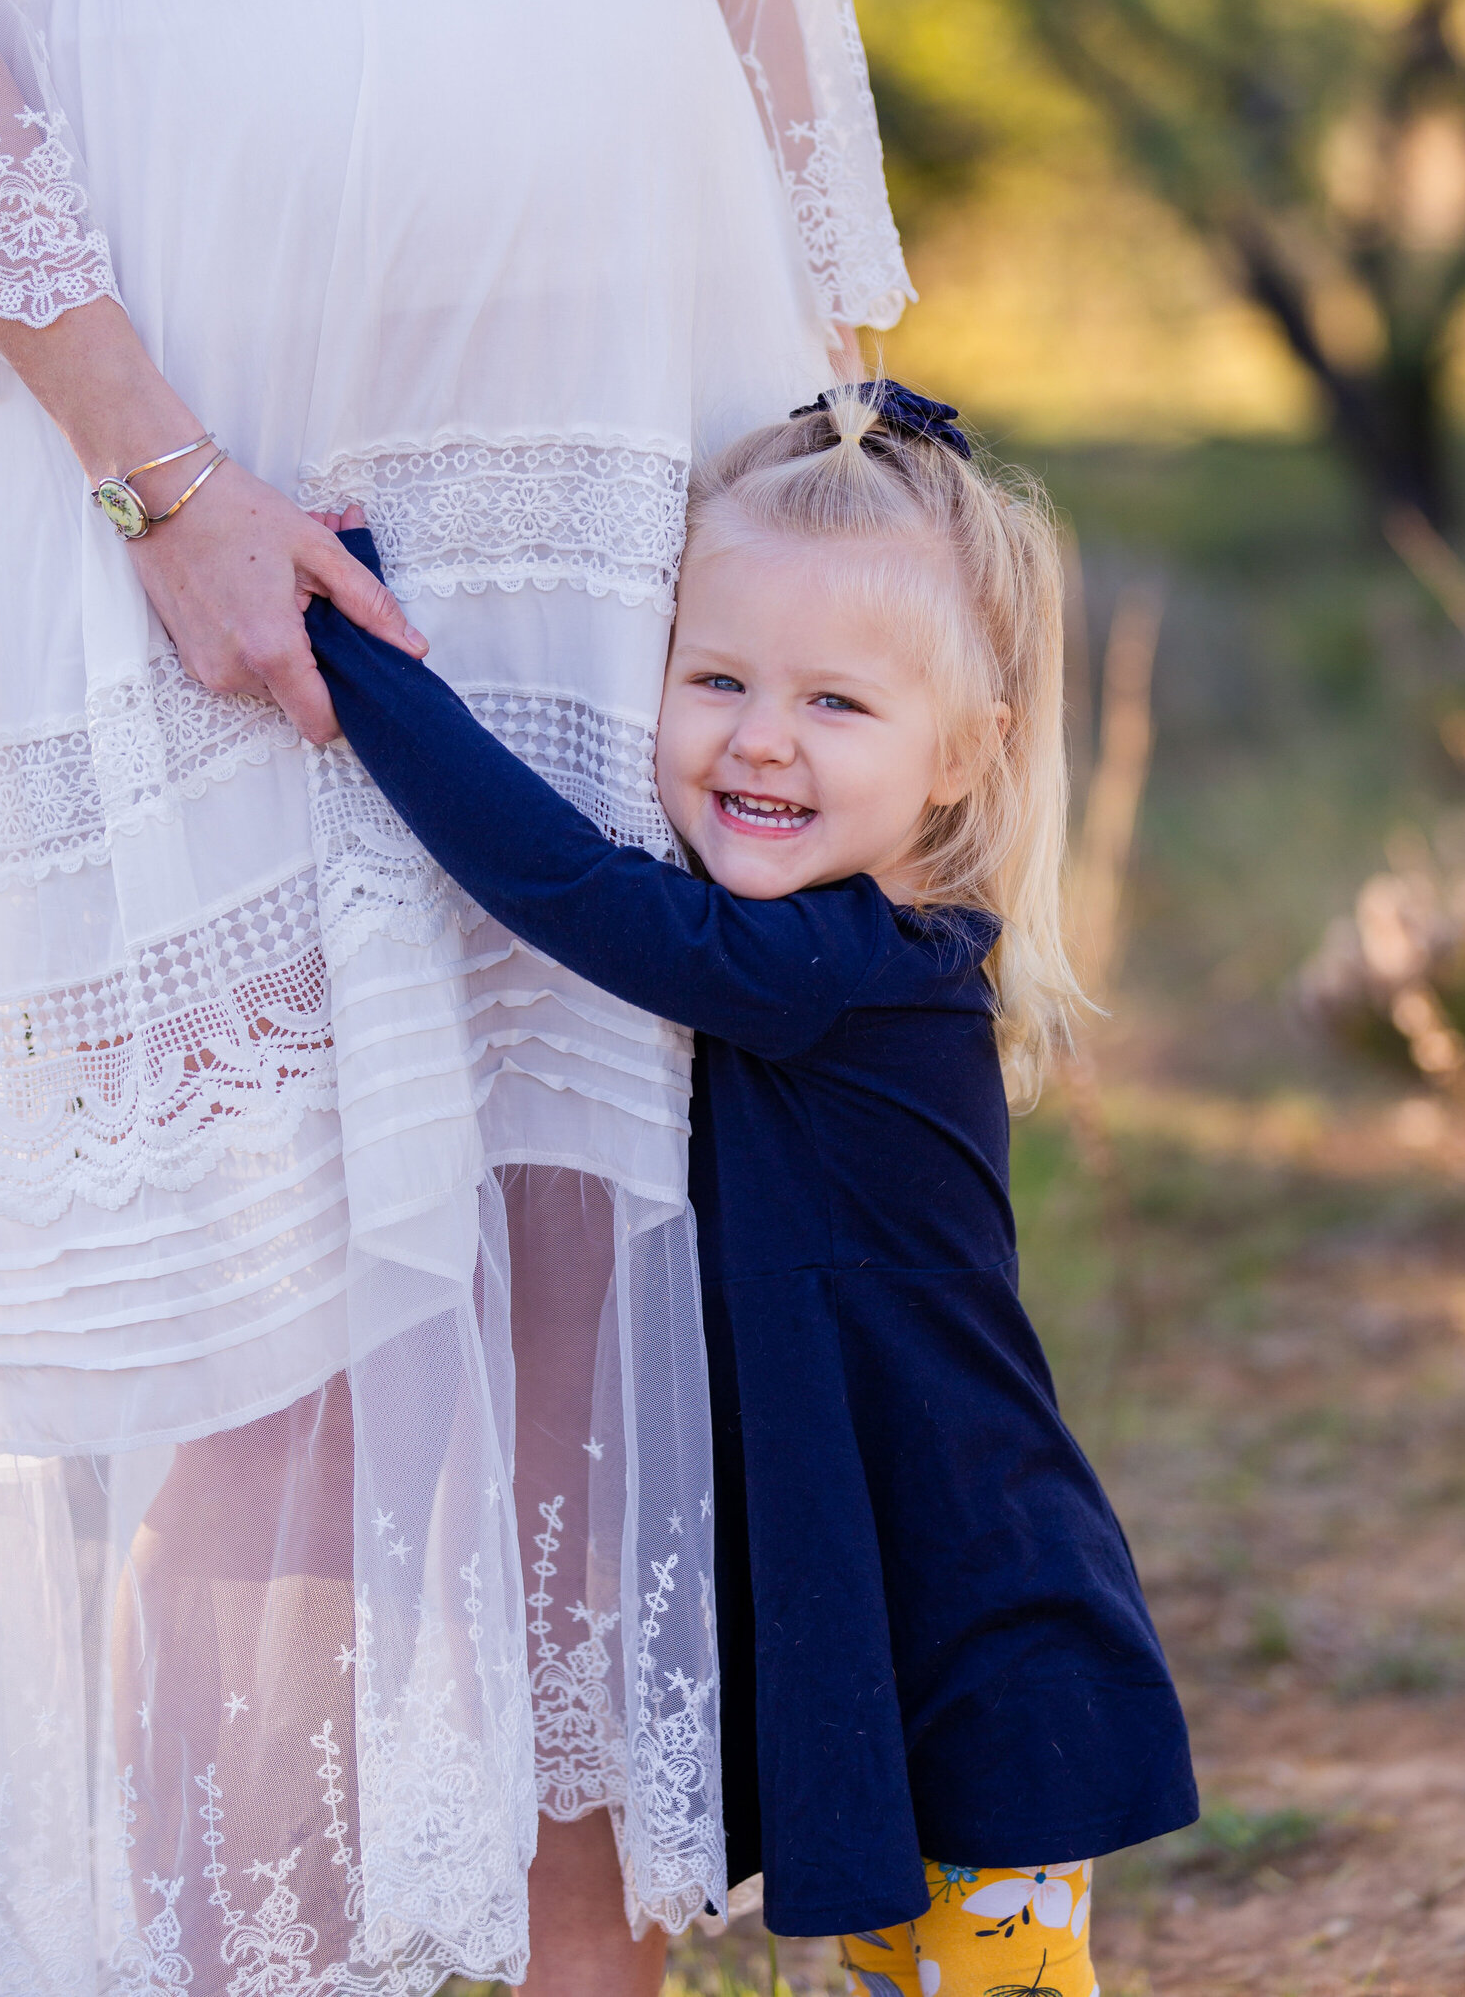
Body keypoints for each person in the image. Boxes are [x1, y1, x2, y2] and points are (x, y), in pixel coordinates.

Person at [0, 0, 911, 1989]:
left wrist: (851, 460)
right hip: (198, 382)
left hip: (622, 384)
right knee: (262, 1316)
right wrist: (156, 471)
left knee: (582, 1261)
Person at [304, 382, 1202, 1997]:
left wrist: (355, 648)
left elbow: (576, 891)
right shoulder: (828, 954)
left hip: (973, 1615)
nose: (761, 736)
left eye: (837, 703)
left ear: (962, 757)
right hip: (884, 1602)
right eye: (715, 678)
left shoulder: (853, 971)